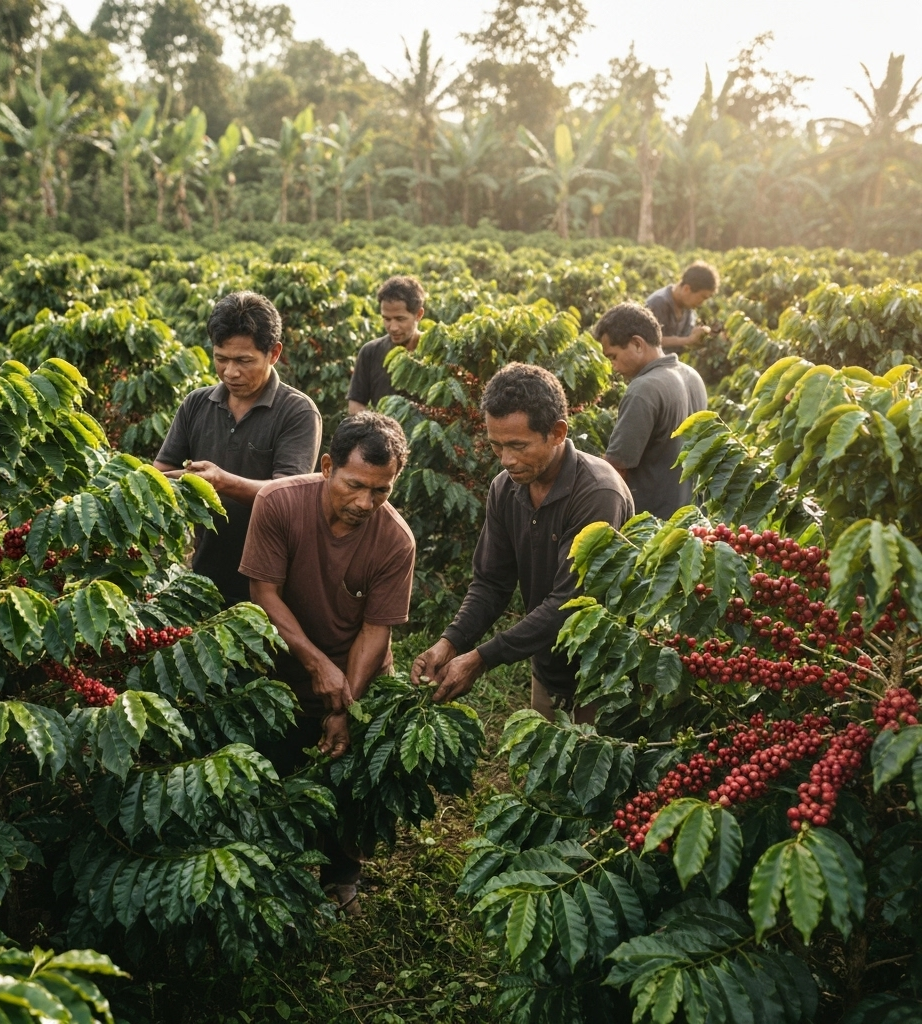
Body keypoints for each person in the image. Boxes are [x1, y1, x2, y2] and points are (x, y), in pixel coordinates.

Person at [241, 412, 415, 907]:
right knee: (276, 771)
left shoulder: (395, 539)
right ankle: (274, 871)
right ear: (325, 467)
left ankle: (342, 874)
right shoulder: (278, 504)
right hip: (281, 669)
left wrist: (345, 708)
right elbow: (264, 595)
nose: (366, 503)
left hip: (357, 675)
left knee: (347, 779)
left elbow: (374, 630)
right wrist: (317, 664)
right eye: (356, 486)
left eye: (381, 491)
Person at [410, 363, 633, 722]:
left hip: (605, 674)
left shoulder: (597, 494)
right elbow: (491, 583)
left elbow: (570, 605)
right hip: (548, 665)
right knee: (548, 769)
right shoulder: (505, 487)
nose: (506, 459)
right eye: (496, 446)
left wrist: (482, 659)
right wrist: (450, 643)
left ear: (558, 432)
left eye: (518, 445)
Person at [154, 291, 321, 607]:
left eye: (244, 361)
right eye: (221, 358)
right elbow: (159, 473)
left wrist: (220, 481)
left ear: (273, 354)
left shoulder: (297, 412)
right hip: (204, 573)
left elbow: (287, 495)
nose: (230, 372)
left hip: (270, 583)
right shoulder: (196, 404)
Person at [596, 302, 708, 519]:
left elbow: (617, 468)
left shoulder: (643, 389)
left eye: (613, 356)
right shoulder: (692, 376)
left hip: (653, 524)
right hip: (692, 518)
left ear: (637, 343)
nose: (613, 367)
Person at [347, 276, 426, 414]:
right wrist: (383, 427)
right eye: (387, 319)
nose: (393, 327)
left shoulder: (435, 352)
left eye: (400, 319)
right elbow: (355, 406)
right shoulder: (370, 352)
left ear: (418, 314)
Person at [645, 261, 719, 352]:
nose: (702, 303)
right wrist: (687, 340)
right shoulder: (658, 303)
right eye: (703, 297)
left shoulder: (689, 309)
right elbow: (647, 340)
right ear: (686, 289)